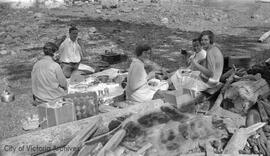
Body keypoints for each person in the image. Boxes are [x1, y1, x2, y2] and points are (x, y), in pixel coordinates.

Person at [170, 30, 224, 95]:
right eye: (202, 40)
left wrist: (195, 63)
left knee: (178, 75)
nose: (203, 42)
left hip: (209, 83)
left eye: (206, 40)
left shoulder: (210, 52)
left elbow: (210, 74)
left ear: (210, 40)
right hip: (213, 80)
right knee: (183, 72)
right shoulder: (215, 49)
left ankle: (174, 93)